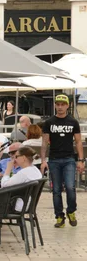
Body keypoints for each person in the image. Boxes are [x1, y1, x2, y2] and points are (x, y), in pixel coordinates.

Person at [41, 94, 83, 228]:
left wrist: (81, 160)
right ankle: (59, 216)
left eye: (62, 104)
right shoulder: (49, 122)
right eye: (57, 104)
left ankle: (71, 211)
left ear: (67, 106)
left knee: (70, 187)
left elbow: (78, 142)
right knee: (56, 189)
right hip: (54, 159)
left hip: (69, 159)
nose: (60, 107)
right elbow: (44, 142)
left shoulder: (73, 122)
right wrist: (43, 160)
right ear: (55, 105)